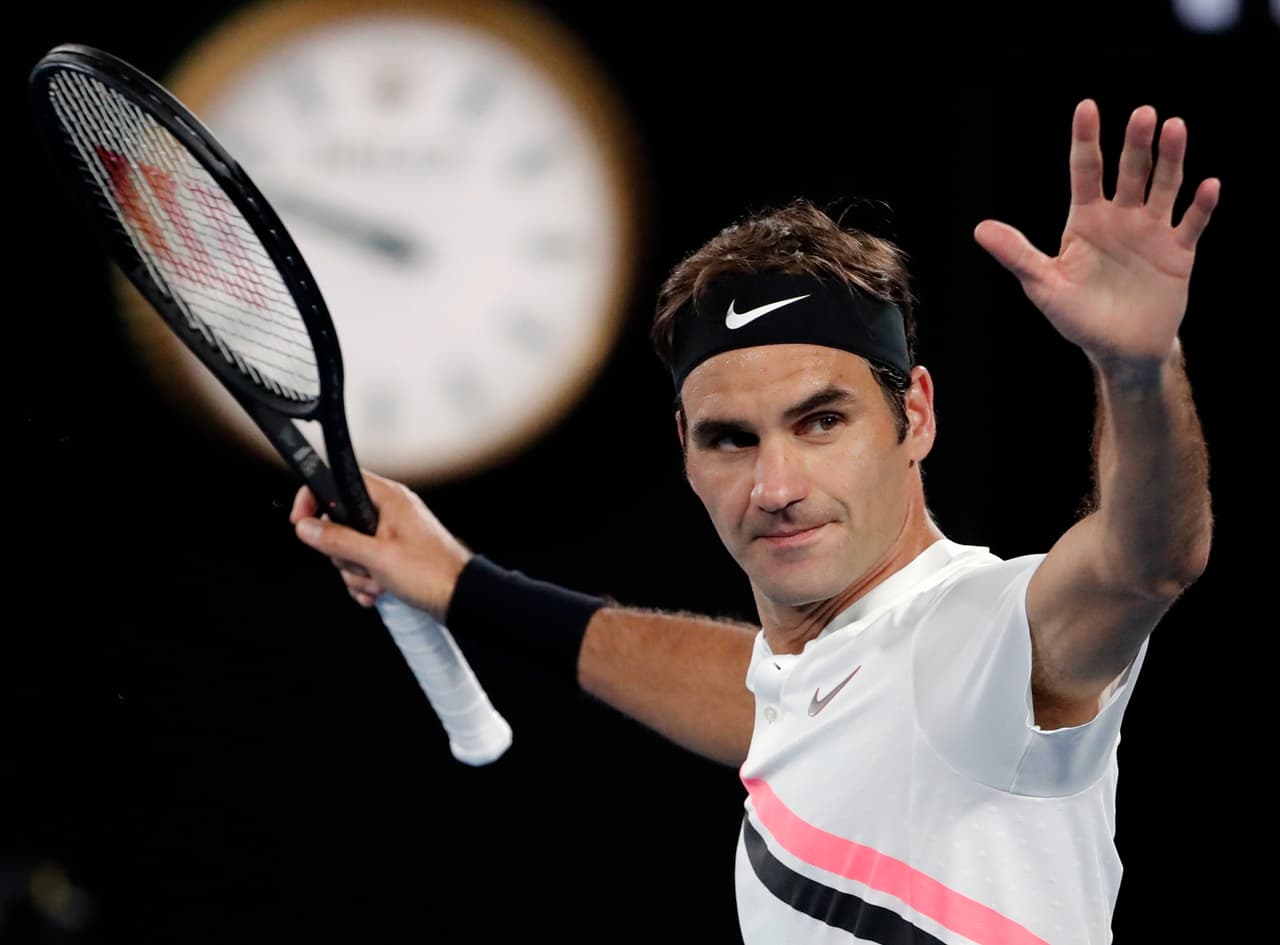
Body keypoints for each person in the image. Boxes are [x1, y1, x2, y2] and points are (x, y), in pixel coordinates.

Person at [289, 98, 1218, 945]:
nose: (774, 484)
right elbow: (764, 700)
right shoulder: (816, 674)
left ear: (916, 415)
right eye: (733, 439)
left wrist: (1135, 368)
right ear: (685, 448)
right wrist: (464, 586)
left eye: (822, 421)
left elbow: (1143, 566)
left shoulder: (973, 640)